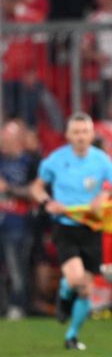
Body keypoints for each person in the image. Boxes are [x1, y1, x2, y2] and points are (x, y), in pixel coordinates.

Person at [31, 112, 112, 350]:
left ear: (91, 134)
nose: (80, 137)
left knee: (86, 288)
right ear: (68, 135)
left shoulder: (101, 160)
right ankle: (65, 293)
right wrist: (48, 202)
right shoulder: (55, 160)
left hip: (92, 227)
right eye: (76, 132)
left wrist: (107, 194)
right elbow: (36, 188)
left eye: (84, 132)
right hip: (65, 225)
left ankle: (72, 335)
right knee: (77, 278)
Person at [0, 121, 40, 320]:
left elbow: (35, 192)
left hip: (18, 221)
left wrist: (8, 189)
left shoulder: (30, 162)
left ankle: (19, 305)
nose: (2, 142)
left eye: (6, 138)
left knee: (17, 266)